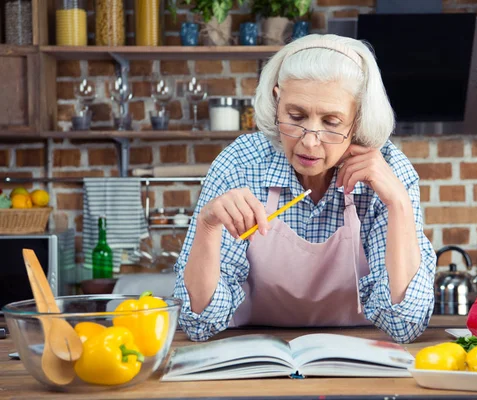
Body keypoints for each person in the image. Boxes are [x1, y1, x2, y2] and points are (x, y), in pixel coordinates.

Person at [173, 34, 436, 344]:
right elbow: (199, 325)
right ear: (276, 103)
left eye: (331, 122)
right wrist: (207, 226)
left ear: (357, 120)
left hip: (357, 358)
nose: (309, 141)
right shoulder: (240, 165)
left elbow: (404, 326)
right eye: (295, 117)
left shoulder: (389, 170)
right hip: (254, 355)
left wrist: (400, 205)